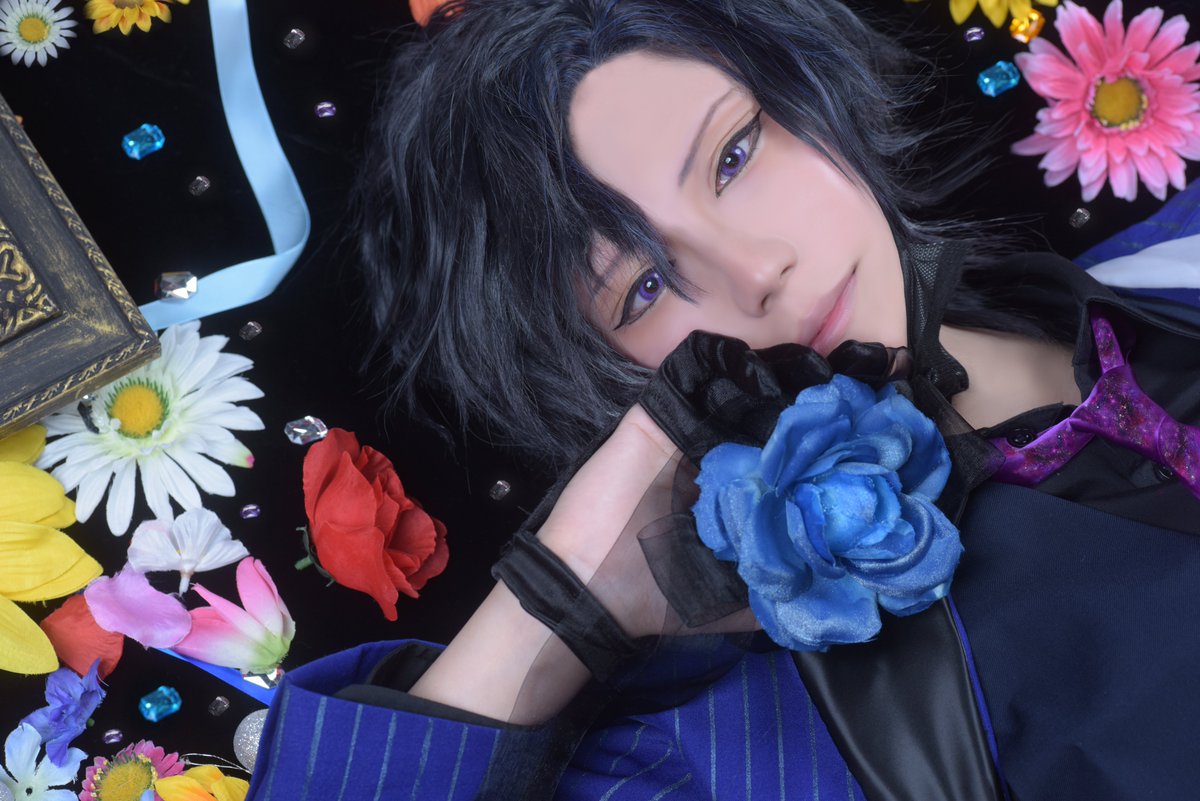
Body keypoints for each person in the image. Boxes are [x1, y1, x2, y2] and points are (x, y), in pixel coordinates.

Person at [244, 1, 1200, 799]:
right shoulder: (746, 743)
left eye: (735, 156)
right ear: (604, 372)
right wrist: (560, 599)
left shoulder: (1164, 278)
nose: (756, 271)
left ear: (811, 92)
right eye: (643, 290)